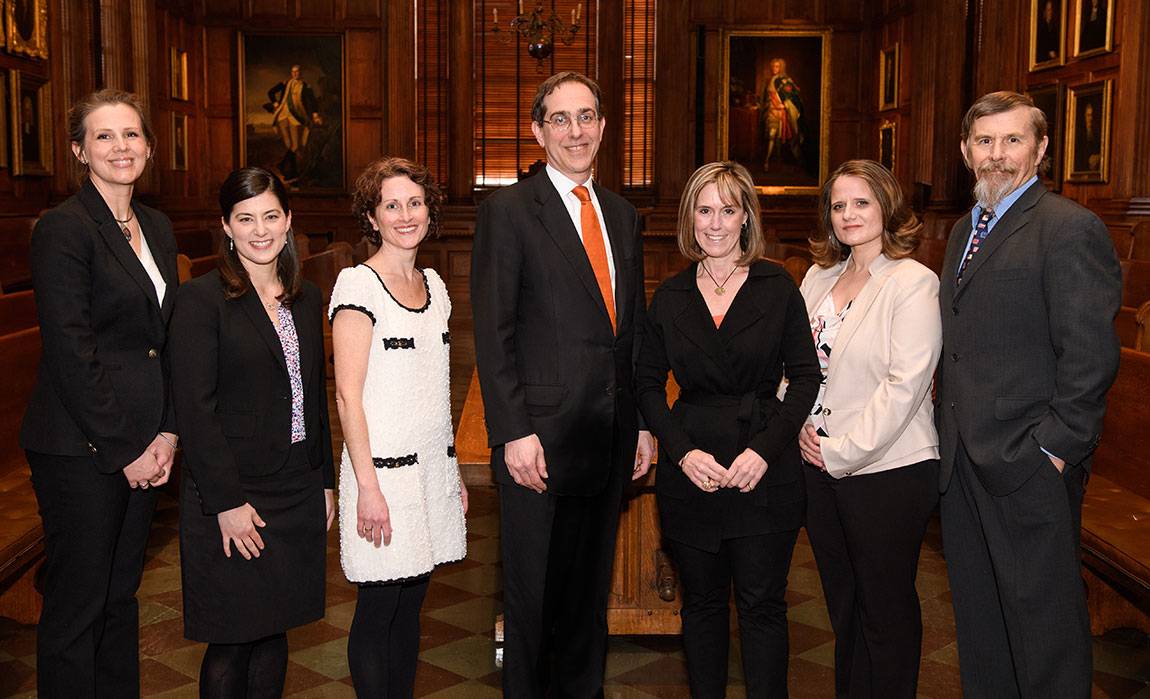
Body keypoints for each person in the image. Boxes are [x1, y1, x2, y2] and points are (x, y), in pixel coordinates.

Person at [471, 71, 654, 697]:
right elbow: (493, 335)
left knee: (586, 602)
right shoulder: (509, 212)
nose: (575, 131)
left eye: (586, 117)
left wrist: (641, 425)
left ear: (603, 127)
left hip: (608, 440)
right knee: (533, 603)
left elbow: (628, 332)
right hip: (538, 447)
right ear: (538, 130)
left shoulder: (624, 217)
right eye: (560, 119)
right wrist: (513, 433)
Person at [937, 91, 1122, 698]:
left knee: (1045, 634)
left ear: (1041, 150)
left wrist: (1054, 451)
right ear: (966, 151)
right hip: (964, 459)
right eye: (985, 142)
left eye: (1012, 140)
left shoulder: (1070, 228)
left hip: (1028, 463)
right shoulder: (964, 228)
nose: (997, 155)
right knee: (982, 626)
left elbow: (1090, 357)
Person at [636, 161, 820, 697]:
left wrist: (764, 452)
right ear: (690, 217)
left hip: (765, 466)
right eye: (705, 209)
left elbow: (805, 377)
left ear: (746, 218)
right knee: (703, 605)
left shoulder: (777, 286)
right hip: (691, 470)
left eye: (728, 210)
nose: (715, 223)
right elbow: (647, 384)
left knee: (763, 606)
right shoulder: (669, 296)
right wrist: (681, 452)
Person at [20, 89, 177, 698]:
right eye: (104, 136)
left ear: (149, 148)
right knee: (77, 607)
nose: (120, 147)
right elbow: (70, 350)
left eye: (131, 135)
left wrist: (167, 431)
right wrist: (125, 447)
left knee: (120, 598)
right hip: (79, 448)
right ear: (79, 150)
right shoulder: (62, 228)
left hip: (145, 441)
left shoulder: (157, 227)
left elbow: (165, 342)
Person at [170, 167, 335, 697]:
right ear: (226, 226)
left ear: (288, 221)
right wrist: (226, 502)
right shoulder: (201, 300)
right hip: (234, 492)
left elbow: (315, 392)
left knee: (274, 628)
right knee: (232, 638)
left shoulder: (306, 298)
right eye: (245, 218)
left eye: (270, 216)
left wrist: (325, 479)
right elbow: (194, 410)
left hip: (295, 486)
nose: (259, 230)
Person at [797, 159, 942, 698]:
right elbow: (796, 365)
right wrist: (799, 427)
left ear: (887, 207)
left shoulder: (912, 282)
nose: (849, 214)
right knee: (844, 607)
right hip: (816, 464)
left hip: (888, 470)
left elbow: (906, 385)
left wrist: (840, 450)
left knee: (885, 610)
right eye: (838, 205)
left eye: (862, 202)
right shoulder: (819, 276)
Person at [329, 157, 467, 696]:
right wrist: (367, 488)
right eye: (392, 205)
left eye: (415, 202)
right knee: (379, 606)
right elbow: (347, 396)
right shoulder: (357, 286)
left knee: (412, 605)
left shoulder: (434, 284)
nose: (405, 215)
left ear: (430, 211)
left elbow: (434, 390)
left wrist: (451, 471)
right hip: (382, 476)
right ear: (372, 216)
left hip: (431, 471)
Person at [265, 64, 321, 182]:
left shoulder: (306, 87)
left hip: (296, 117)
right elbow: (270, 92)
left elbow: (312, 102)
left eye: (297, 72)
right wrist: (275, 103)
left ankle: (284, 166)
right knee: (289, 145)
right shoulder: (285, 83)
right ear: (291, 73)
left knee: (295, 146)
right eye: (293, 72)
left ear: (301, 73)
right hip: (282, 116)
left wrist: (315, 115)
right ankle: (291, 173)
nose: (295, 74)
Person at [761, 57, 805, 172]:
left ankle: (782, 161)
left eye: (777, 66)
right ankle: (767, 161)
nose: (774, 68)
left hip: (783, 112)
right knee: (772, 136)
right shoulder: (770, 80)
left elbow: (792, 95)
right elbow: (768, 98)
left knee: (781, 138)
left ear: (781, 67)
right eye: (773, 66)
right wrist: (775, 105)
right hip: (773, 111)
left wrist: (787, 105)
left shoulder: (785, 80)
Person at [1035, 0, 1061, 65]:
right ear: (1044, 12)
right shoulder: (1041, 27)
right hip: (1044, 62)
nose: (1050, 12)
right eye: (1048, 10)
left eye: (1051, 10)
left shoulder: (1054, 27)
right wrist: (1049, 54)